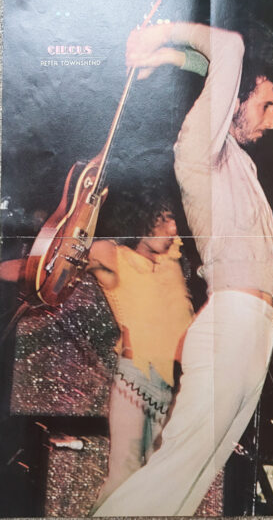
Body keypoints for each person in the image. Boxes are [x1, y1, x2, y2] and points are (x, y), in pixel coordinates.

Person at [93, 21, 273, 516]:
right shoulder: (199, 149)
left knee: (186, 488)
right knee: (173, 473)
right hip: (232, 322)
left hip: (254, 329)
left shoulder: (235, 160)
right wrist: (161, 35)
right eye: (266, 105)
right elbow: (229, 48)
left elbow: (221, 68)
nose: (271, 122)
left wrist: (168, 58)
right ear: (237, 98)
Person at [88, 190, 194, 510]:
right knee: (124, 474)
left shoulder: (172, 264)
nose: (172, 229)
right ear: (142, 219)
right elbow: (65, 258)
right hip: (135, 377)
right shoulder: (115, 257)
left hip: (170, 385)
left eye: (174, 220)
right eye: (164, 220)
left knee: (155, 484)